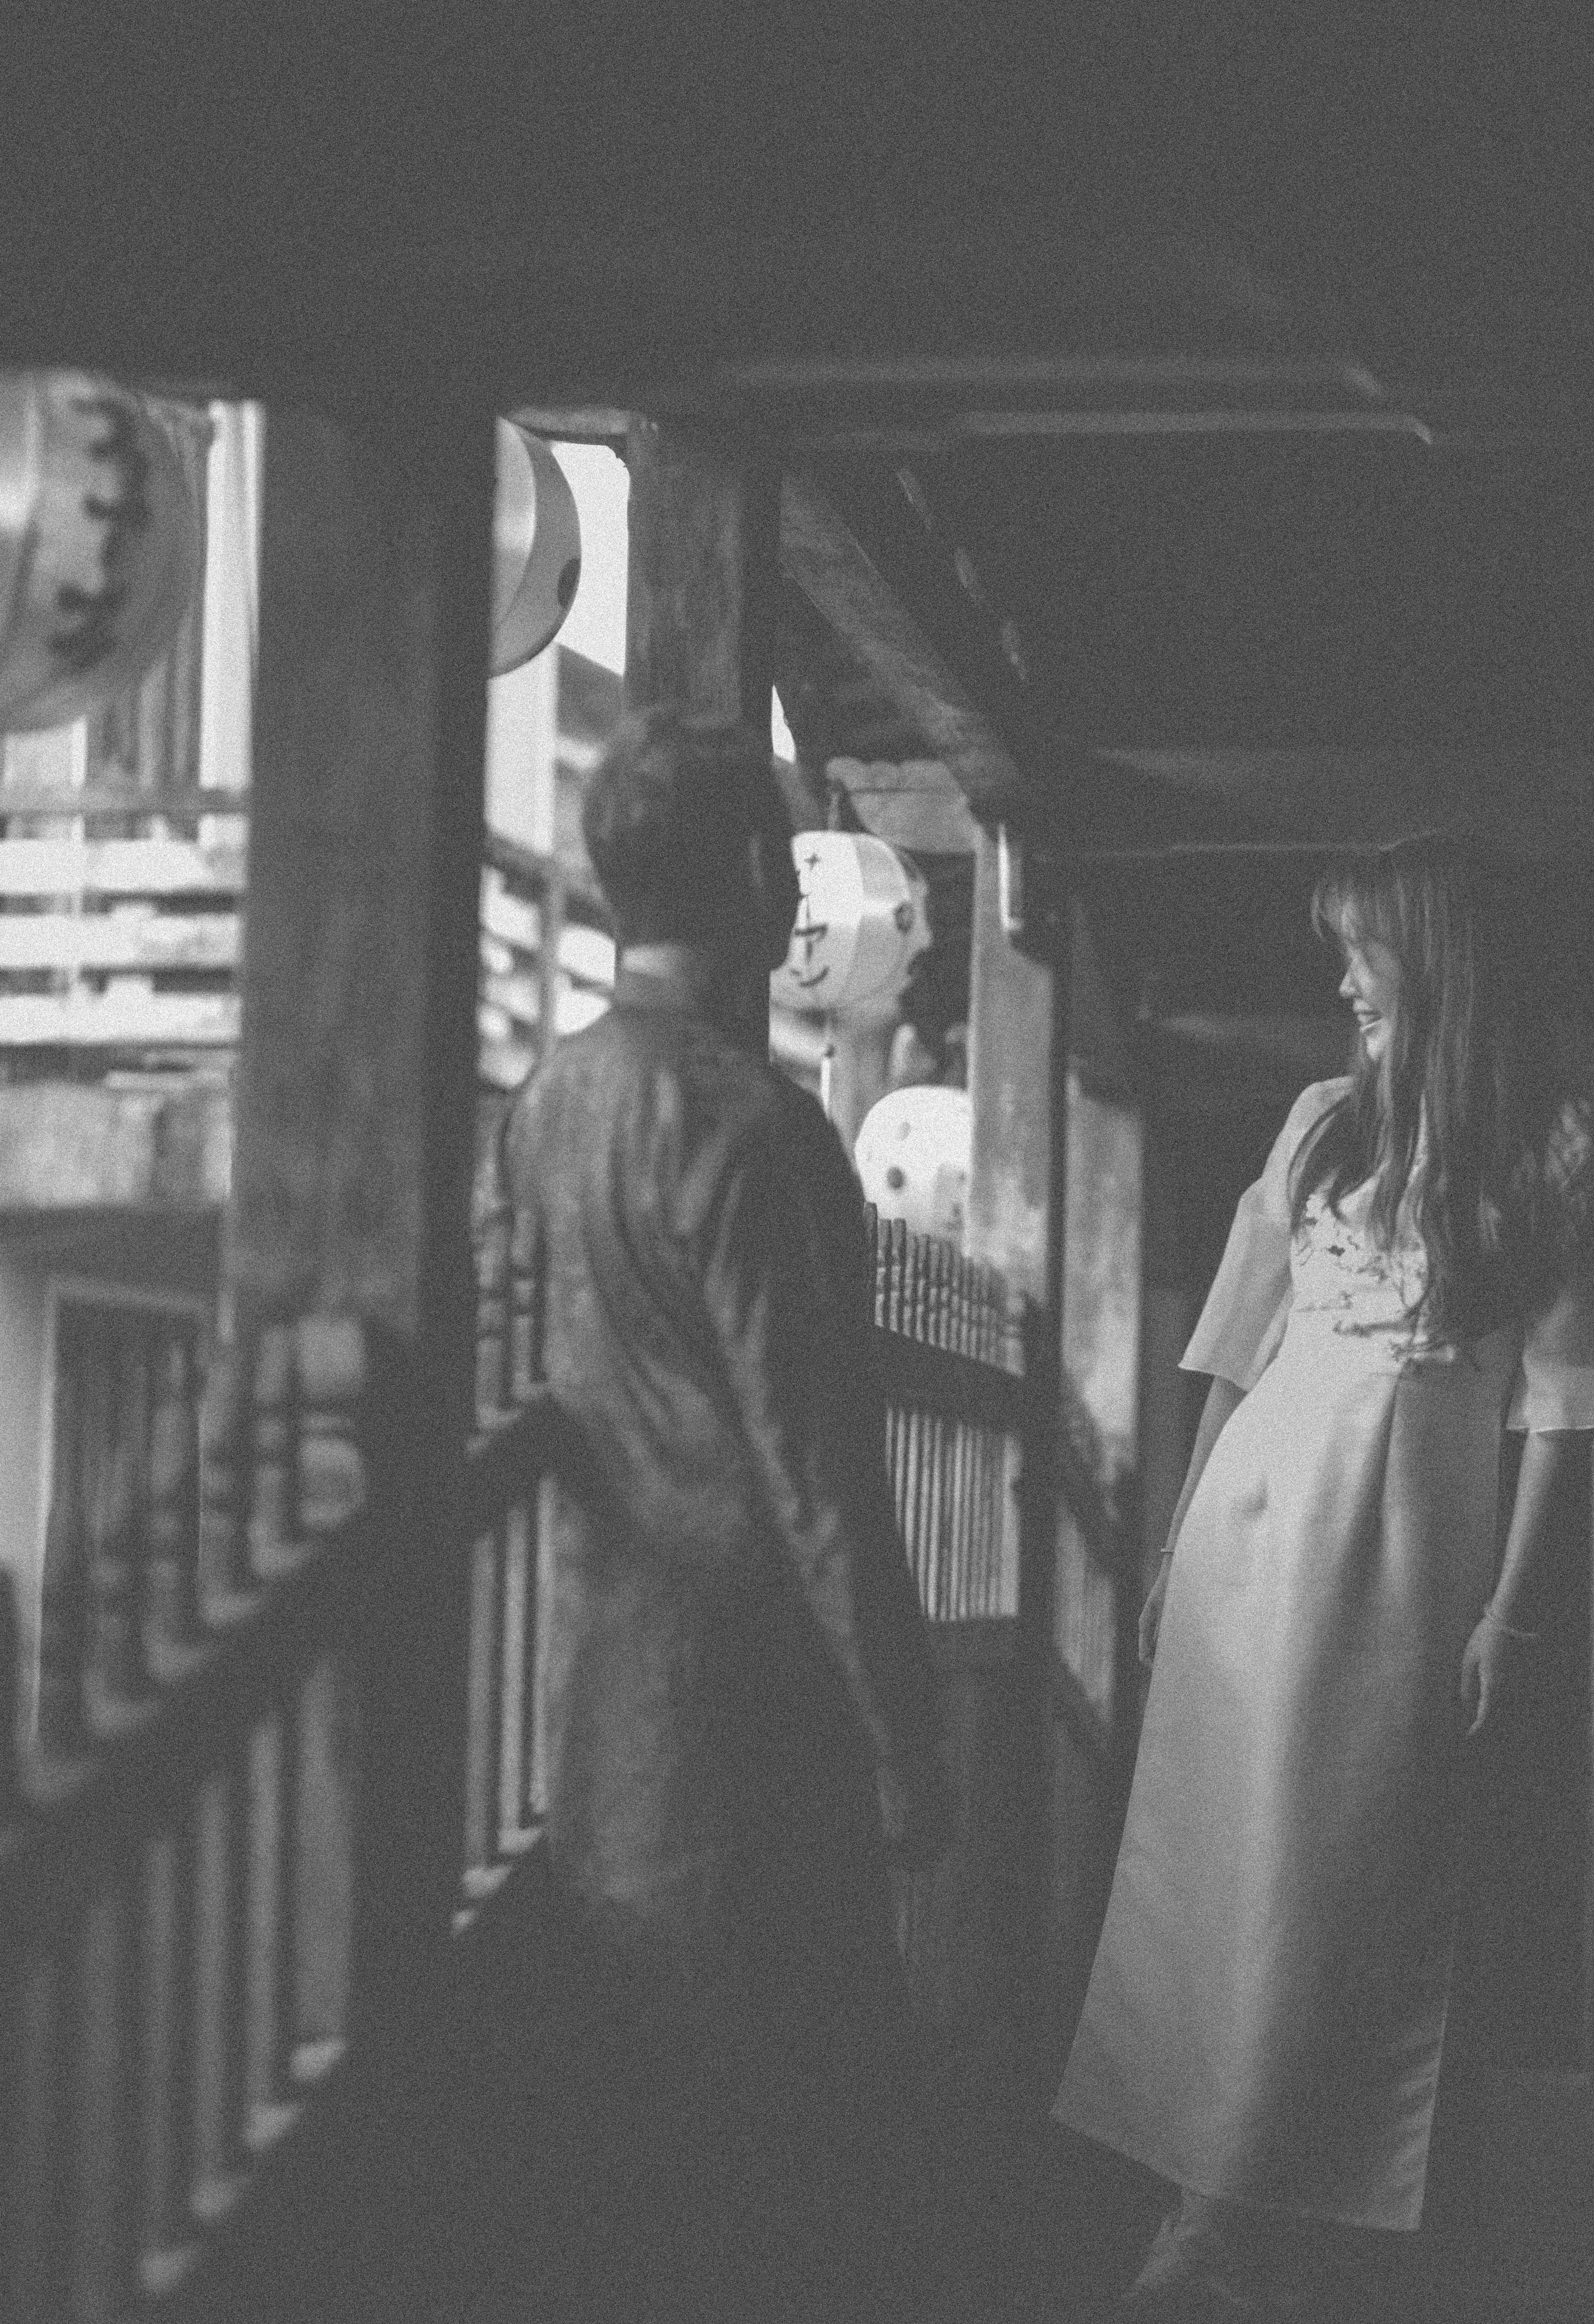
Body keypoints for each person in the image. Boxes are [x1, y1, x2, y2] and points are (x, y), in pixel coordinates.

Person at [1052, 835, 1594, 2322]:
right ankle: (1202, 2202)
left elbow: (1563, 1398)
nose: (1345, 979)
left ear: (1438, 963)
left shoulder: (1556, 1141)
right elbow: (1239, 1351)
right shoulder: (1320, 1123)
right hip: (1255, 1529)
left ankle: (1291, 2204)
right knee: (1220, 1863)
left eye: (1367, 950)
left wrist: (1511, 1604)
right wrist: (1173, 1542)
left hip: (1406, 1553)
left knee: (1344, 1872)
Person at [484, 707, 955, 2324]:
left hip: (601, 1682)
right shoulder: (756, 1129)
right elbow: (817, 1480)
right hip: (758, 1701)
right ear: (760, 874)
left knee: (643, 2157)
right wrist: (905, 1739)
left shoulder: (550, 1100)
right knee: (793, 2158)